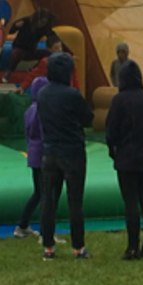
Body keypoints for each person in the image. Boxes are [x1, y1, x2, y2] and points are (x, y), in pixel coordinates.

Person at [37, 52, 93, 260]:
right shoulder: (72, 94)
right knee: (75, 201)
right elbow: (88, 118)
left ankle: (48, 247)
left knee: (49, 200)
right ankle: (78, 247)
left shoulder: (42, 94)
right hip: (72, 151)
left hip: (50, 150)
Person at [105, 59, 143, 260]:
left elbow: (111, 130)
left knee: (131, 202)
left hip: (127, 158)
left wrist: (115, 152)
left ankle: (132, 247)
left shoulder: (119, 100)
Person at [13, 76, 47, 239]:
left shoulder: (30, 110)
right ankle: (45, 231)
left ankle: (23, 225)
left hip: (33, 154)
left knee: (39, 192)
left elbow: (28, 134)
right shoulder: (42, 110)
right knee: (45, 194)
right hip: (42, 154)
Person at [3, 7, 59, 82]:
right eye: (41, 21)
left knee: (49, 54)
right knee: (16, 53)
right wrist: (15, 26)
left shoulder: (45, 27)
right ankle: (9, 72)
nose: (41, 23)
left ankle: (34, 70)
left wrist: (67, 52)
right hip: (19, 48)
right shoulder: (25, 21)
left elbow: (55, 39)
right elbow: (9, 31)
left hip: (31, 50)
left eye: (44, 22)